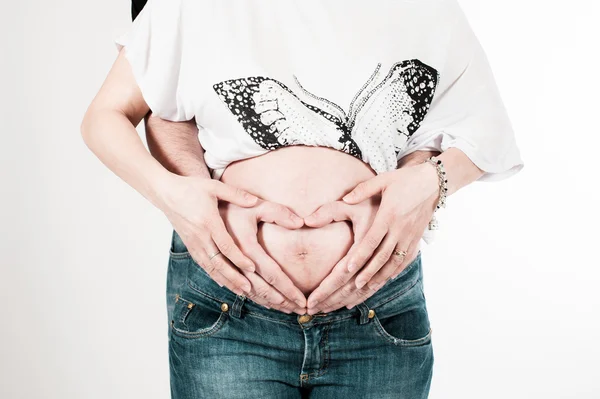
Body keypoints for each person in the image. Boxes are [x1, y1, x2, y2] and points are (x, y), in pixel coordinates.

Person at [81, 0, 523, 397]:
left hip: (376, 310)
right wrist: (174, 195)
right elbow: (107, 115)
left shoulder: (426, 10)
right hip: (232, 307)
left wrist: (431, 183)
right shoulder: (189, 7)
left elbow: (487, 136)